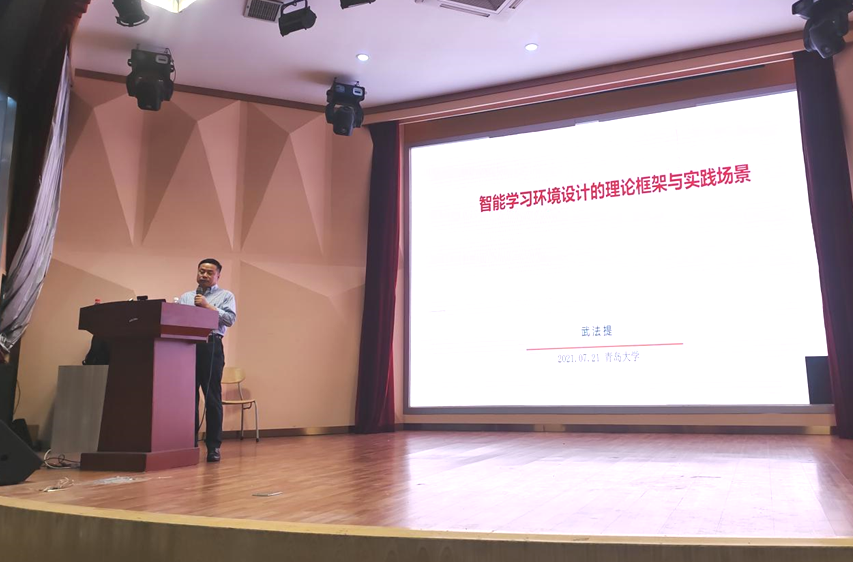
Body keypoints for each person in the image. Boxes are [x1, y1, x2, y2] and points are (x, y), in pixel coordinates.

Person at [179, 259, 236, 463]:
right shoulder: (186, 297)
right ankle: (189, 443)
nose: (204, 275)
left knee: (212, 398)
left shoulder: (226, 296)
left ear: (217, 276)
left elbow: (230, 319)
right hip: (186, 347)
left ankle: (213, 447)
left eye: (209, 272)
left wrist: (208, 306)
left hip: (211, 346)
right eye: (201, 271)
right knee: (188, 398)